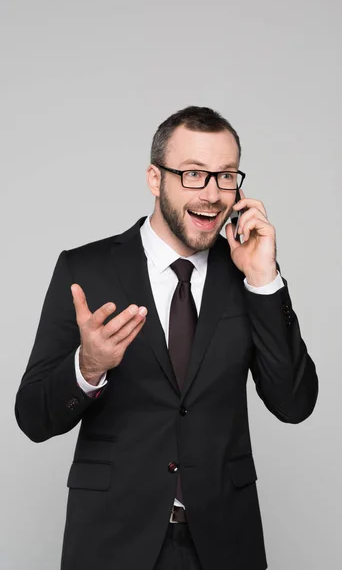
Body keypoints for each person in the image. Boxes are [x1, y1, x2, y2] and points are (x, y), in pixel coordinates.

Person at [15, 106, 318, 570]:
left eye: (226, 176)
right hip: (111, 542)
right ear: (155, 179)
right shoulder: (86, 270)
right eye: (194, 174)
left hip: (225, 543)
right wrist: (88, 367)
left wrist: (264, 278)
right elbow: (33, 418)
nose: (214, 194)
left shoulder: (248, 273)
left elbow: (294, 404)